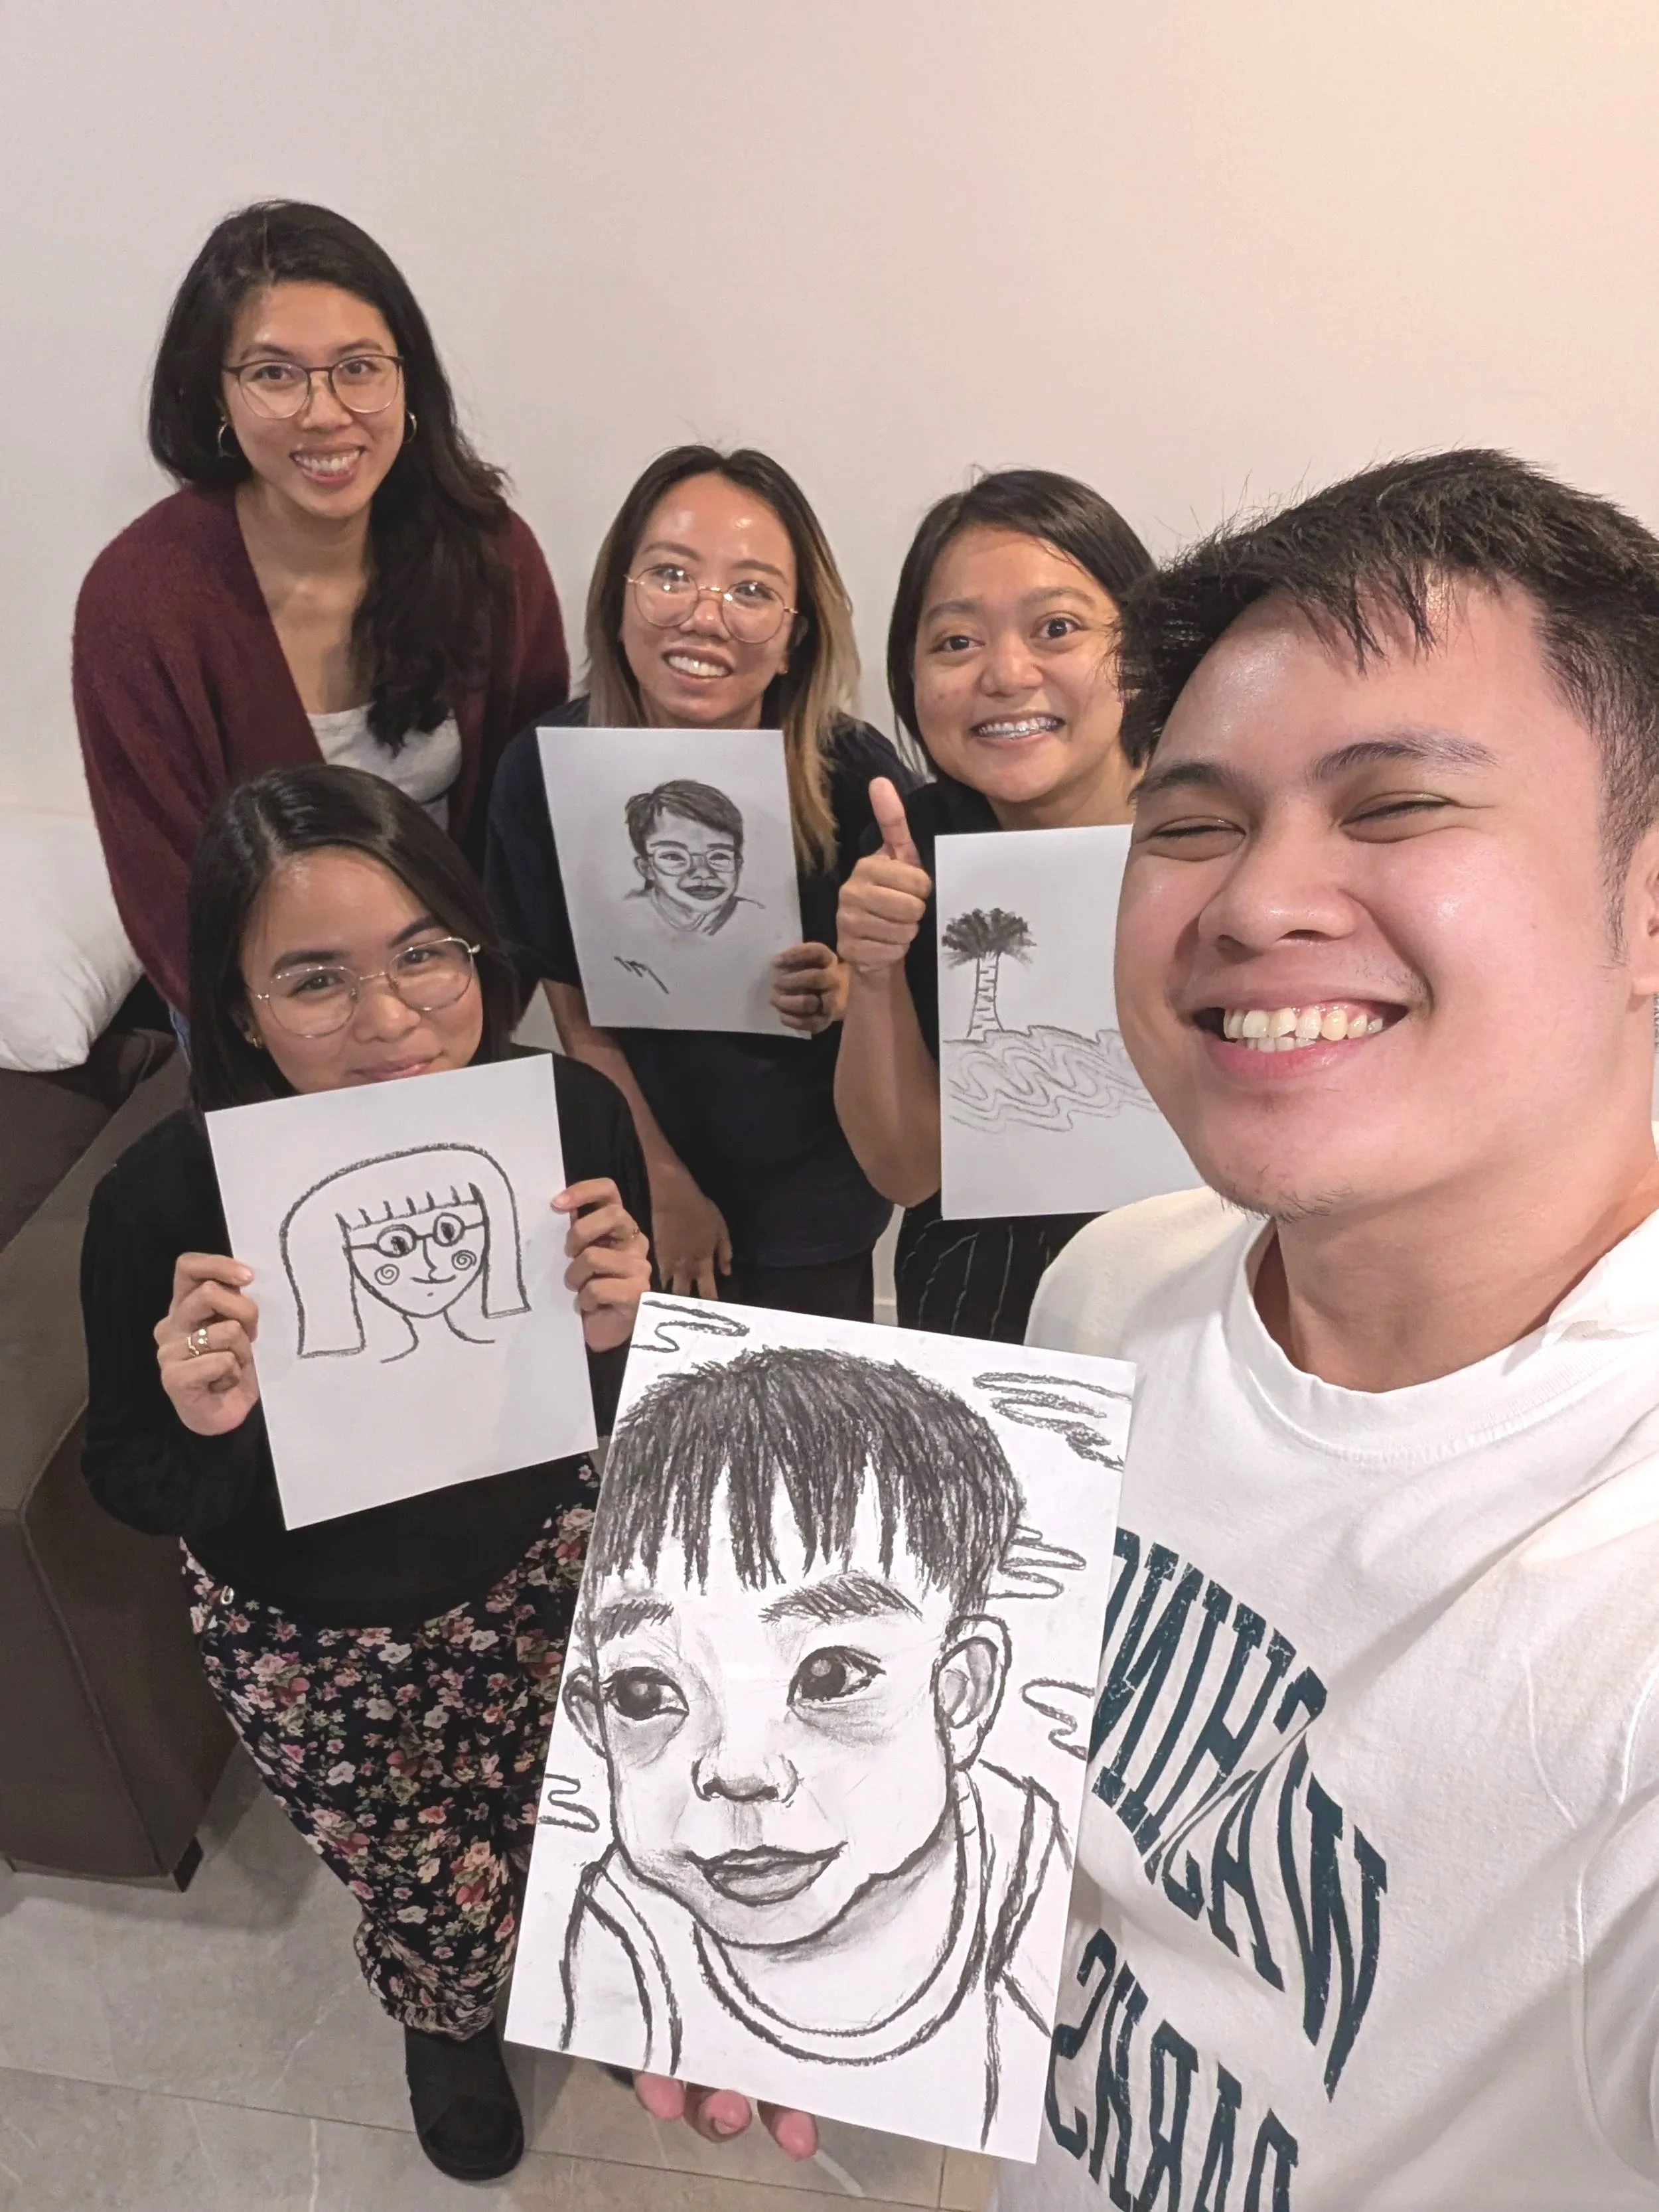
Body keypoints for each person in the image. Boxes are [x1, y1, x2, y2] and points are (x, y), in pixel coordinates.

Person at [660, 448, 1659, 2196]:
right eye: (1192, 825)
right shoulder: (1110, 1296)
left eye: (1393, 806)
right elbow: (1064, 1861)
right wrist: (829, 1963)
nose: (1253, 900)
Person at [80, 765, 651, 2184]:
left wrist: (625, 1336)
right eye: (315, 979)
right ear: (240, 1009)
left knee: (583, 1820)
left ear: (475, 949)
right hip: (317, 1636)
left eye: (422, 954)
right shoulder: (163, 1200)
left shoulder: (569, 1117)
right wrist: (208, 1420)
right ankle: (448, 2021)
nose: (390, 1019)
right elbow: (131, 1479)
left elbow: (618, 1407)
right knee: (429, 1894)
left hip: (546, 1563)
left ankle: (588, 1973)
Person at [557, 1346, 1066, 2148]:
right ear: (593, 1725)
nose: (738, 1771)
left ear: (959, 1694)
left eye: (831, 1676)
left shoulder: (1029, 1871)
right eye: (645, 1694)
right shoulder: (626, 1927)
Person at [74, 200, 569, 1017]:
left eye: (359, 367)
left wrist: (468, 1020)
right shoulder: (140, 600)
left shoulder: (491, 556)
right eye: (274, 374)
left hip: (459, 999)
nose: (326, 412)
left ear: (407, 376)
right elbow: (167, 897)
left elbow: (529, 826)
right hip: (254, 1020)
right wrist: (302, 1038)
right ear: (216, 395)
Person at [487, 445, 916, 1319]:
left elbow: (910, 1000)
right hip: (633, 1173)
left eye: (751, 590)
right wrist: (661, 1181)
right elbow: (577, 1013)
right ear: (618, 600)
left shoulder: (853, 777)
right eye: (671, 574)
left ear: (795, 637)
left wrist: (848, 988)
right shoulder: (542, 771)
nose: (704, 616)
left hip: (814, 1192)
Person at [833, 470, 1155, 1341]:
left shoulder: (1226, 827)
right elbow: (905, 1171)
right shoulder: (912, 849)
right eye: (957, 642)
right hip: (983, 1298)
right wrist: (872, 972)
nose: (1008, 674)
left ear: (1139, 647)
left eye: (1057, 628)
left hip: (1204, 1283)